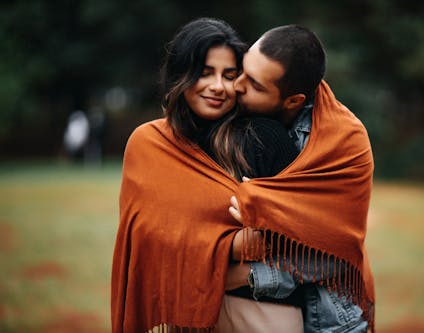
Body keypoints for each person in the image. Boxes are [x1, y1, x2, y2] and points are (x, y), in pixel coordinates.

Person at [111, 17, 305, 333]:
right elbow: (146, 240)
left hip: (260, 313)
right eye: (205, 73)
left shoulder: (263, 137)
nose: (218, 86)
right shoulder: (149, 144)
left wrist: (251, 248)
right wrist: (233, 245)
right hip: (185, 314)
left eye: (229, 75)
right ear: (180, 76)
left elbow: (306, 230)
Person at [222, 25, 376, 332]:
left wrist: (246, 275)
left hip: (329, 320)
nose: (236, 85)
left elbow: (335, 253)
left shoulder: (345, 143)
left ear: (293, 101)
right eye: (242, 70)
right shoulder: (236, 111)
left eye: (255, 85)